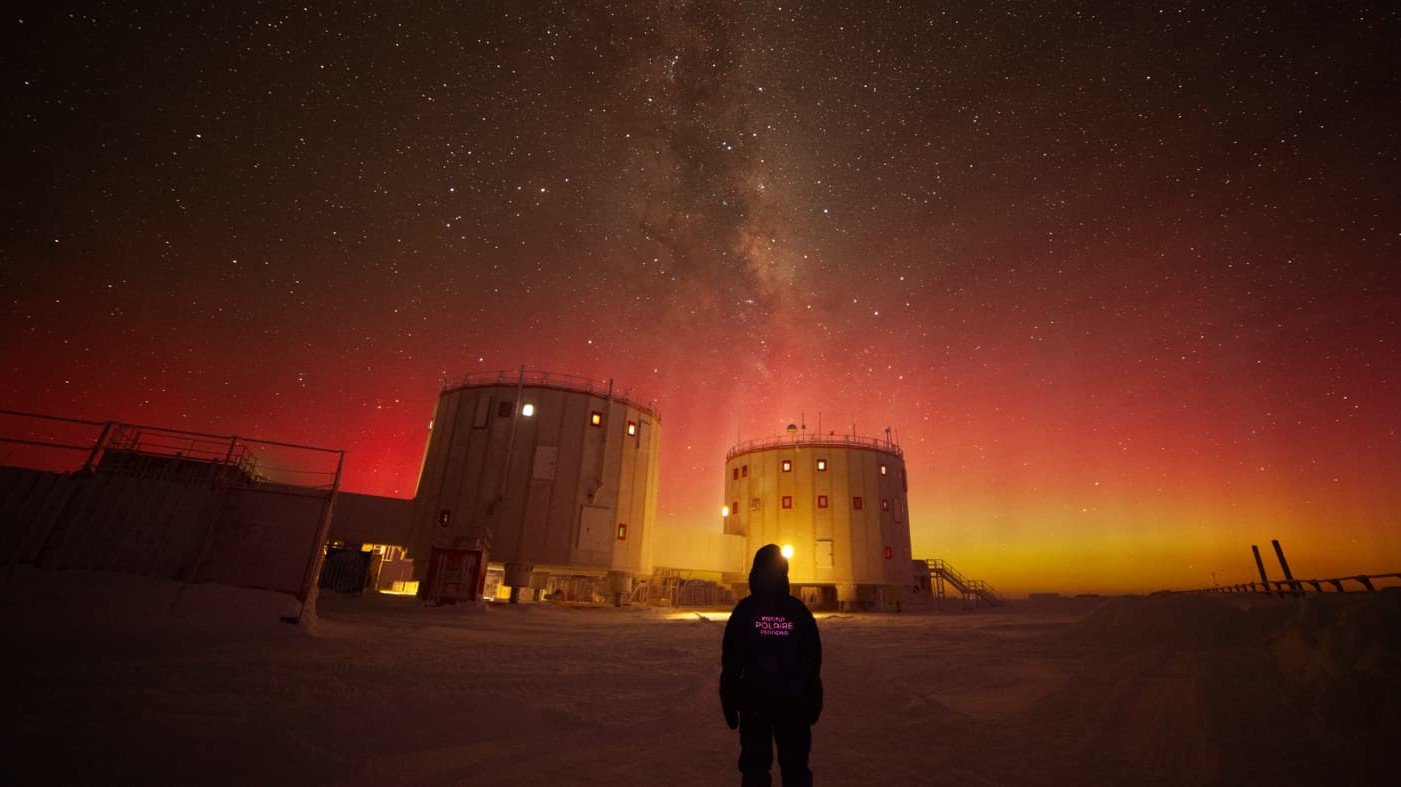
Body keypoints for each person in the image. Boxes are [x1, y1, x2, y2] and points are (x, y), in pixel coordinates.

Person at [720, 544, 823, 786]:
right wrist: (813, 694)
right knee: (795, 768)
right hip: (792, 702)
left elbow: (731, 660)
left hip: (754, 703)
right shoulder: (797, 612)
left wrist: (729, 696)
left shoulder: (745, 611)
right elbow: (812, 659)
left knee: (756, 770)